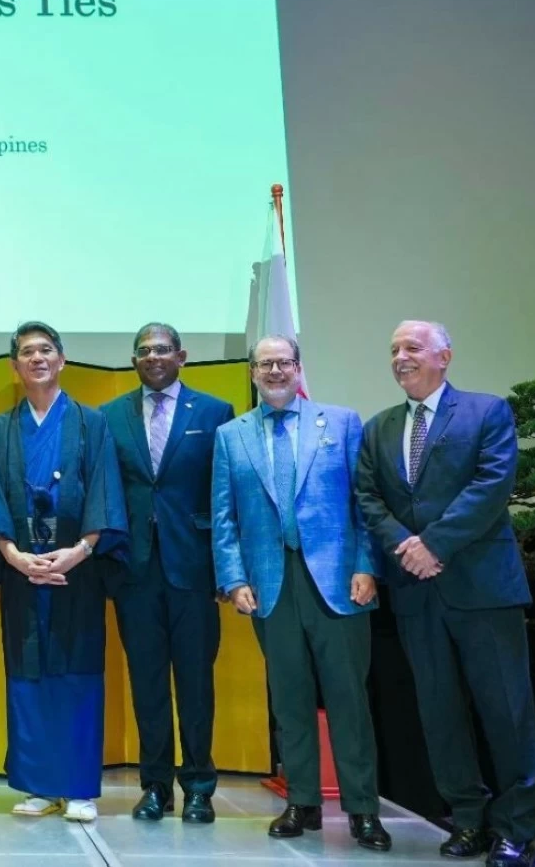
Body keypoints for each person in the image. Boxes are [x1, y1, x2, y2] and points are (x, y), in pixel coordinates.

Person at [356, 321, 535, 867]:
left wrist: (433, 544)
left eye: (412, 347)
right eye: (393, 349)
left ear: (445, 357)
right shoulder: (379, 428)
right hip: (416, 595)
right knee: (439, 714)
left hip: (482, 589)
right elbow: (368, 497)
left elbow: (492, 484)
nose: (400, 357)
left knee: (507, 713)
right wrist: (406, 548)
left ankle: (518, 830)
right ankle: (468, 820)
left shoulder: (486, 412)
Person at [212, 335, 390, 852]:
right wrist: (233, 578)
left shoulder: (340, 422)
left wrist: (365, 565)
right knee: (289, 700)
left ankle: (362, 810)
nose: (274, 370)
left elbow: (364, 503)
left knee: (348, 700)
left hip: (338, 583)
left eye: (283, 362)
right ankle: (303, 802)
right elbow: (223, 516)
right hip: (270, 584)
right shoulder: (231, 436)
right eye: (264, 363)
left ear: (298, 368)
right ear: (252, 371)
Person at [0, 321, 128, 824]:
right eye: (26, 353)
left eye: (46, 350)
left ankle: (78, 786)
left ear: (61, 360)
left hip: (76, 570)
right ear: (14, 367)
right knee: (27, 673)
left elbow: (105, 491)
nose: (37, 358)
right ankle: (38, 784)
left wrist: (79, 551)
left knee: (77, 671)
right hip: (21, 571)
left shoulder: (90, 422)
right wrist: (13, 555)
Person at [101, 323, 234, 824]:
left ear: (182, 355)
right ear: (134, 360)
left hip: (195, 571)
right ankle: (154, 786)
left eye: (162, 349)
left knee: (197, 683)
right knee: (148, 683)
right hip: (133, 571)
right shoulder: (109, 416)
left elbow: (225, 498)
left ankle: (199, 786)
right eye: (143, 351)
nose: (153, 357)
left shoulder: (217, 413)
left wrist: (227, 569)